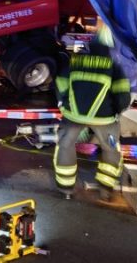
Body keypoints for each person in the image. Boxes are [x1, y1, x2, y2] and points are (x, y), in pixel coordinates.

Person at [53, 24, 131, 201]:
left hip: (73, 116)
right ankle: (105, 189)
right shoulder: (114, 64)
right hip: (105, 120)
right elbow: (122, 96)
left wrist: (64, 103)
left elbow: (61, 82)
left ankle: (66, 189)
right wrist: (116, 112)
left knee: (65, 145)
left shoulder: (77, 58)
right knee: (111, 149)